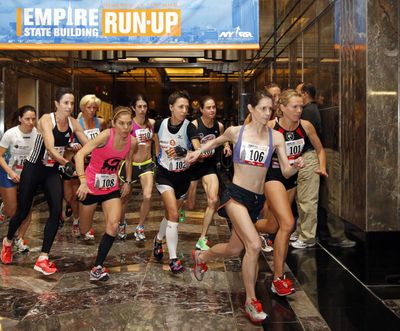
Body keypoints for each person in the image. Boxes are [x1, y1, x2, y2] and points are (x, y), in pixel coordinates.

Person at [186, 91, 304, 324]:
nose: (267, 113)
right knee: (253, 244)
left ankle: (202, 256)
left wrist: (296, 165)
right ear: (250, 108)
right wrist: (197, 152)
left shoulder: (276, 138)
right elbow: (214, 143)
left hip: (256, 201)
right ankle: (251, 301)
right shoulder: (236, 132)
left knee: (233, 249)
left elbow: (287, 170)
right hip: (235, 195)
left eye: (270, 109)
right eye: (262, 108)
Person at [1, 87, 88, 275]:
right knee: (22, 211)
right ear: (56, 104)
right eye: (65, 102)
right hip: (33, 169)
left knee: (56, 211)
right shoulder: (46, 120)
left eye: (72, 103)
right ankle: (7, 241)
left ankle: (43, 258)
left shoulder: (73, 122)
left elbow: (88, 143)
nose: (69, 106)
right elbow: (49, 146)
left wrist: (103, 144)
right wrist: (66, 162)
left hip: (51, 171)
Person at [256, 89, 327, 296]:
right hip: (273, 177)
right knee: (288, 224)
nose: (299, 110)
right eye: (294, 107)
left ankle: (244, 225)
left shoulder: (305, 126)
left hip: (292, 179)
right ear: (282, 108)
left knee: (273, 225)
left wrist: (321, 166)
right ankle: (278, 278)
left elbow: (320, 149)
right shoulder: (270, 126)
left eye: (301, 107)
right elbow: (249, 140)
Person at [75, 106, 137, 281]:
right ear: (114, 124)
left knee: (113, 225)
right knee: (85, 230)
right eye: (121, 124)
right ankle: (79, 222)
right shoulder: (106, 136)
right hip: (91, 188)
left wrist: (128, 181)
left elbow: (129, 160)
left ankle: (98, 267)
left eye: (129, 124)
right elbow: (79, 155)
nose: (125, 128)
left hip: (110, 189)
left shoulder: (132, 142)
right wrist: (82, 181)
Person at [152, 90, 201, 274]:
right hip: (165, 175)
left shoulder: (190, 128)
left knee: (170, 215)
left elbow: (198, 150)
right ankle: (173, 259)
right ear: (171, 107)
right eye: (180, 106)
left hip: (183, 177)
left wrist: (186, 152)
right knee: (173, 214)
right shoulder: (159, 124)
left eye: (187, 107)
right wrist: (157, 155)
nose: (184, 110)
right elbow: (154, 139)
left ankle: (158, 239)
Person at [184, 96, 231, 251]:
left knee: (213, 200)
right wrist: (198, 152)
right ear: (201, 110)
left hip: (209, 167)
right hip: (193, 167)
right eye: (209, 108)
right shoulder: (194, 125)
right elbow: (192, 143)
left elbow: (223, 138)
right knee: (190, 205)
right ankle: (181, 206)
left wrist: (226, 146)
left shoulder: (219, 125)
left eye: (214, 107)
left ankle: (202, 238)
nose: (212, 110)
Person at [67, 94, 105, 239]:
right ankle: (76, 220)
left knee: (91, 194)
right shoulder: (75, 123)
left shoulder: (100, 122)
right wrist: (72, 146)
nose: (92, 110)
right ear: (82, 107)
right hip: (79, 161)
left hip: (95, 164)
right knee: (75, 195)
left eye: (94, 108)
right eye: (89, 107)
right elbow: (67, 143)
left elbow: (105, 138)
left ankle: (86, 224)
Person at [118, 94, 155, 241]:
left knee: (148, 195)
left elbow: (155, 138)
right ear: (133, 107)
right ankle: (122, 223)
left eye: (145, 106)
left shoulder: (150, 123)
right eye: (139, 106)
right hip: (130, 164)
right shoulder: (129, 125)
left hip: (146, 164)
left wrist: (157, 156)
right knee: (124, 198)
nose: (142, 109)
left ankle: (140, 227)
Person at [0, 105, 37, 253]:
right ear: (20, 119)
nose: (30, 122)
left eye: (33, 119)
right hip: (8, 173)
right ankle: (4, 209)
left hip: (27, 176)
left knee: (27, 210)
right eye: (27, 118)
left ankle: (19, 238)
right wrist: (11, 172)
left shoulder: (38, 133)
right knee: (13, 211)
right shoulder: (10, 134)